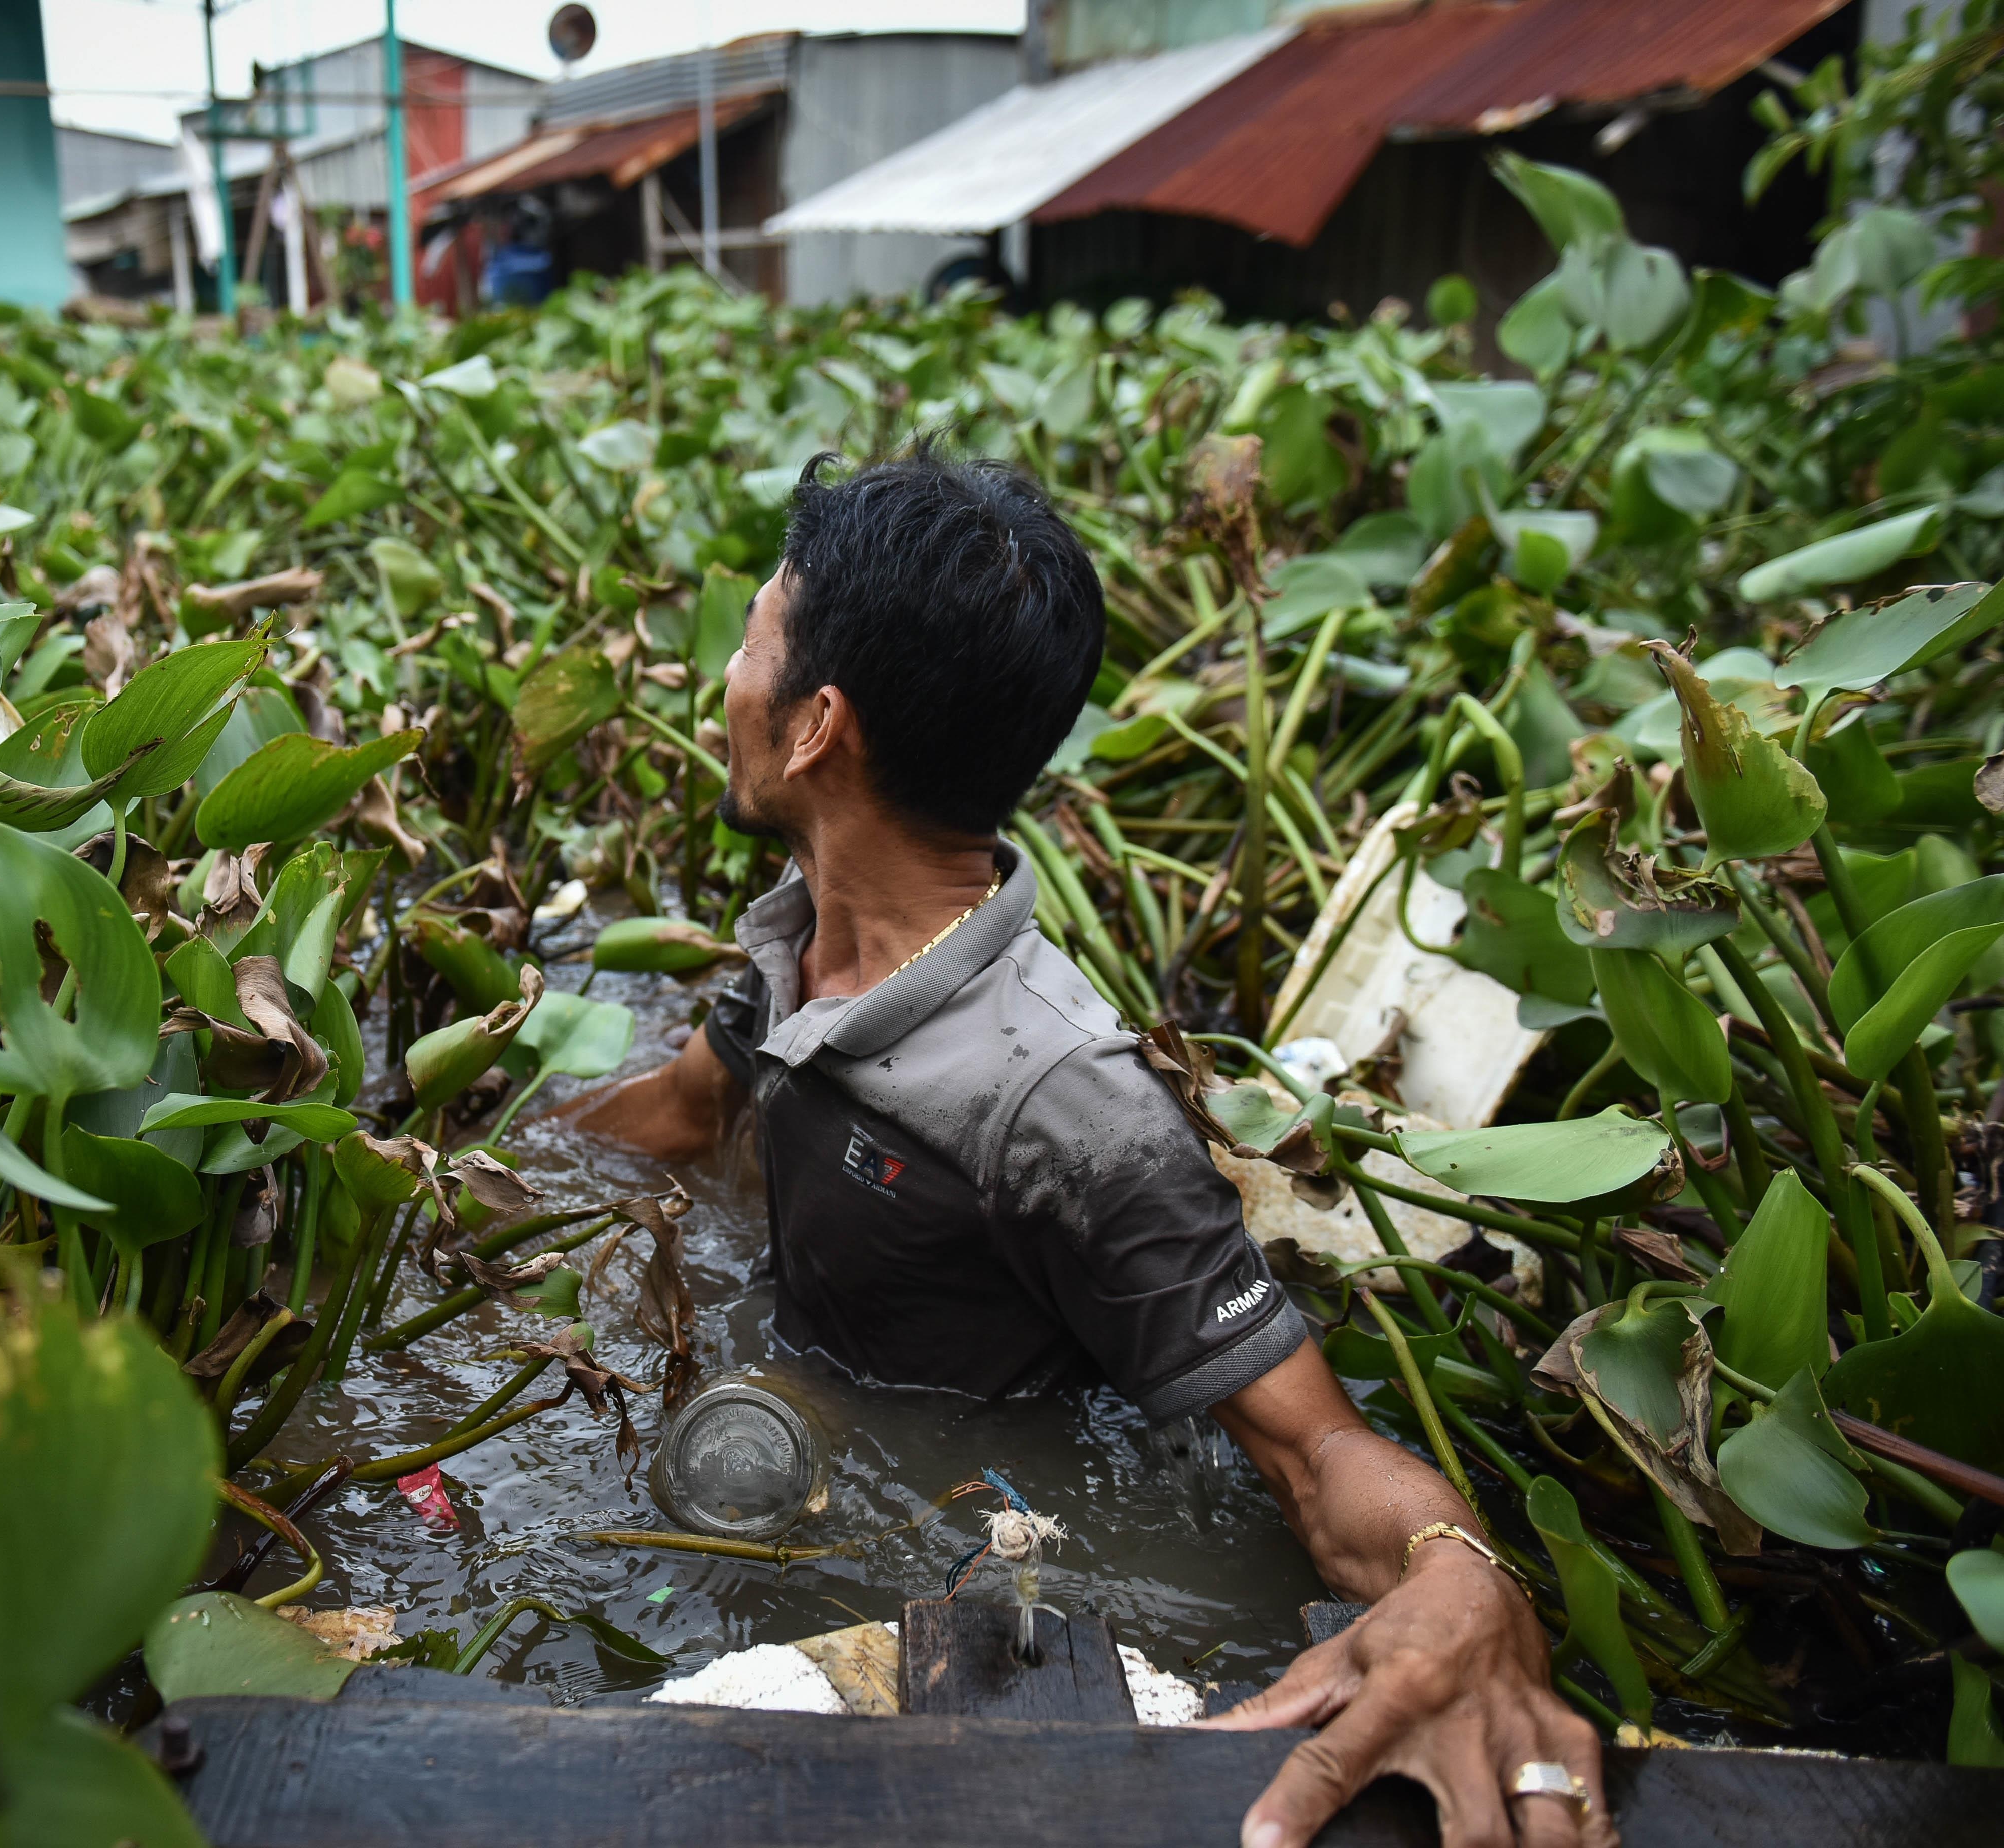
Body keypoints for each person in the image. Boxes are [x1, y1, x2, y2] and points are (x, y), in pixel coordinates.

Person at [561, 450, 1615, 1848]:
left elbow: (1312, 1453)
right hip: (793, 1422)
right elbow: (686, 1113)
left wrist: (1461, 1585)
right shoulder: (802, 938)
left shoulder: (1070, 1106)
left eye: (748, 652)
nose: (725, 689)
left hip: (966, 1546)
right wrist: (445, 1160)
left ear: (817, 727)